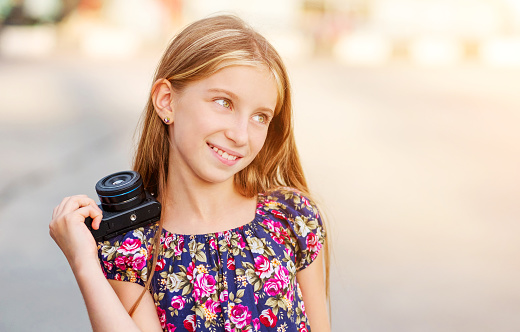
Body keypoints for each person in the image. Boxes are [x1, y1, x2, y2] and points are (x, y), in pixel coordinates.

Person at [50, 15, 330, 332]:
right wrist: (84, 263)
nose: (241, 135)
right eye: (224, 102)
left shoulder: (291, 217)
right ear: (167, 101)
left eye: (260, 116)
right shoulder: (133, 244)